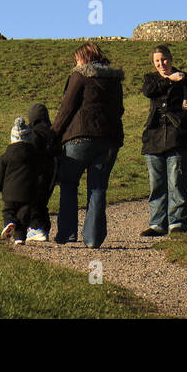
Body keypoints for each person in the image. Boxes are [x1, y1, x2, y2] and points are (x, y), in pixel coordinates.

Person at [49, 41, 124, 248]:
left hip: (79, 136)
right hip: (109, 139)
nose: (76, 63)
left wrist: (53, 134)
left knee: (69, 183)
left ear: (84, 58)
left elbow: (67, 107)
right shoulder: (114, 80)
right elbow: (119, 110)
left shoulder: (80, 75)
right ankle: (93, 238)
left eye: (77, 59)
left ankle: (67, 232)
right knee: (98, 187)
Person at [139, 45, 187, 237]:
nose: (161, 64)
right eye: (157, 61)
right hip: (153, 138)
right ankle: (157, 224)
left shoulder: (185, 79)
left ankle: (177, 222)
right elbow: (149, 91)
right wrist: (170, 80)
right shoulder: (151, 80)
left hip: (178, 137)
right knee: (156, 183)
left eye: (164, 60)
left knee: (176, 181)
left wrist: (184, 116)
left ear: (171, 58)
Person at [0, 107, 56, 244]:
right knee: (23, 216)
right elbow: (40, 170)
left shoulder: (6, 155)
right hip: (28, 194)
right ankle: (20, 237)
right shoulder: (34, 154)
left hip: (9, 193)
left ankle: (9, 223)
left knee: (9, 211)